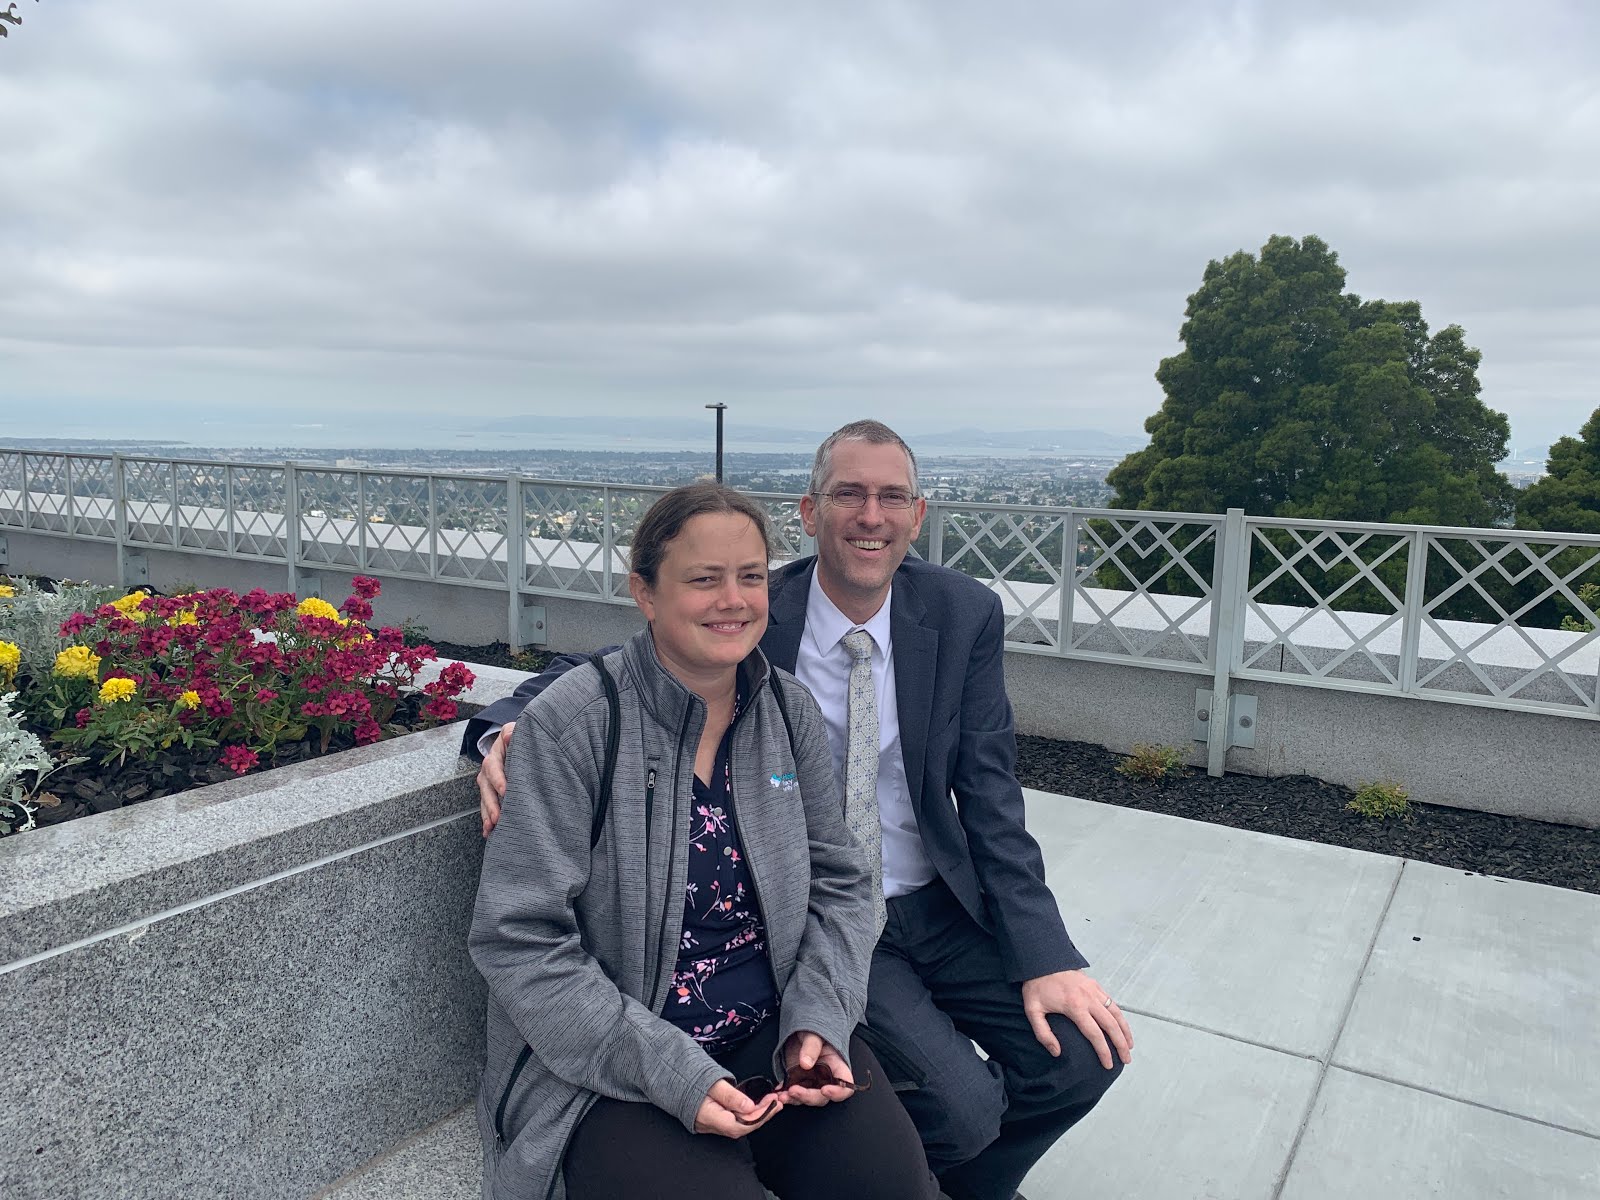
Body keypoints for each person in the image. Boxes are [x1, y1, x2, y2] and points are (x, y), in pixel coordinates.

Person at [468, 423, 1133, 1200]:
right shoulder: (755, 613)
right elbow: (613, 673)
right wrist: (498, 731)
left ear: (918, 516)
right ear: (810, 512)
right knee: (963, 1109)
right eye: (849, 494)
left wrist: (1045, 954)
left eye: (892, 498)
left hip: (929, 903)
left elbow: (991, 796)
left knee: (1081, 1057)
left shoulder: (957, 615)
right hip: (814, 923)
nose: (871, 517)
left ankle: (972, 1185)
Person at [469, 480, 939, 1200]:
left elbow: (843, 881)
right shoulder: (577, 726)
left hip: (771, 1028)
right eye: (703, 579)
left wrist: (818, 1019)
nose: (733, 600)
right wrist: (674, 1073)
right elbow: (518, 938)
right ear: (645, 593)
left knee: (889, 1184)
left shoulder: (787, 710)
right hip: (613, 1060)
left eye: (751, 576)